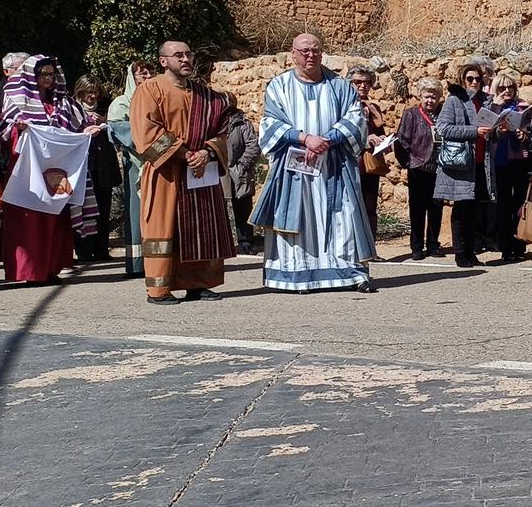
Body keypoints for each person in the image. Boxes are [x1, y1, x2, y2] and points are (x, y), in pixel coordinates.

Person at [249, 32, 376, 293]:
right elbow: (270, 124)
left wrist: (326, 141)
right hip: (294, 169)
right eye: (304, 50)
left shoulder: (340, 86)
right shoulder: (279, 86)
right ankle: (296, 276)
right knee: (297, 219)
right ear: (293, 54)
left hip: (334, 168)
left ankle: (350, 275)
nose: (311, 55)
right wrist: (304, 138)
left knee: (344, 220)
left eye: (315, 50)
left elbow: (355, 120)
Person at [128, 39, 237, 304]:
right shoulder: (149, 91)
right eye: (178, 55)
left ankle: (199, 283)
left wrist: (207, 152)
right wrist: (184, 152)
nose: (186, 59)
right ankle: (159, 289)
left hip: (200, 172)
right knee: (164, 227)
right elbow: (146, 133)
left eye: (189, 54)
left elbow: (222, 131)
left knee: (200, 227)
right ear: (163, 61)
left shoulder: (206, 95)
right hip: (166, 171)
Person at [0, 55, 93, 284]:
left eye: (51, 74)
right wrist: (18, 128)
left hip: (56, 168)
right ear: (32, 75)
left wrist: (87, 131)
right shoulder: (15, 99)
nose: (48, 79)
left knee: (55, 218)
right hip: (27, 170)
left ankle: (52, 268)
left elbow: (78, 125)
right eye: (43, 75)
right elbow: (1, 132)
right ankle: (29, 271)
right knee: (29, 221)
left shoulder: (62, 101)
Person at [435, 57, 493, 268]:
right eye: (470, 79)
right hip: (461, 163)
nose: (475, 82)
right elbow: (443, 128)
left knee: (474, 209)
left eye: (478, 79)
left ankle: (471, 251)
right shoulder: (454, 100)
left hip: (480, 163)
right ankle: (461, 253)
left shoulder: (485, 101)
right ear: (462, 79)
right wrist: (473, 132)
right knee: (461, 208)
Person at [106, 60, 157, 277]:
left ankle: (159, 261)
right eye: (141, 74)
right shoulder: (122, 103)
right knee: (137, 213)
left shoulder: (158, 98)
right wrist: (150, 141)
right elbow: (116, 129)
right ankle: (137, 263)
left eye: (149, 73)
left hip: (159, 163)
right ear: (132, 77)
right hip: (137, 164)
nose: (146, 77)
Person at [486, 69, 532, 263]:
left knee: (519, 204)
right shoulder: (491, 107)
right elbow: (486, 132)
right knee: (503, 205)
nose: (507, 91)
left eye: (510, 87)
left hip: (519, 159)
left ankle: (518, 245)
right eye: (502, 87)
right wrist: (497, 110)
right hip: (500, 161)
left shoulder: (522, 107)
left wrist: (525, 135)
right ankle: (505, 246)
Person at [395, 77, 447, 259]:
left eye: (434, 97)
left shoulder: (443, 114)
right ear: (420, 96)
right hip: (417, 168)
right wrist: (408, 163)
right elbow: (401, 140)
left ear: (439, 98)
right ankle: (416, 247)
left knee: (436, 208)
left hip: (439, 167)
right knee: (417, 209)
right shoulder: (411, 114)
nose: (430, 101)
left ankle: (433, 244)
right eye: (426, 97)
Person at [69, 75, 117, 265]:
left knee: (103, 209)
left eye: (95, 92)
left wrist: (105, 122)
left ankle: (101, 249)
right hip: (83, 167)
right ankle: (83, 250)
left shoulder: (106, 107)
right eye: (88, 92)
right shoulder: (72, 110)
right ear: (80, 91)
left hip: (103, 165)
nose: (92, 96)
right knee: (82, 209)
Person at [347, 66, 389, 246]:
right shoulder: (344, 107)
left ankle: (370, 247)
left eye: (367, 82)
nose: (363, 86)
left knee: (370, 207)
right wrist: (365, 139)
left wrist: (383, 140)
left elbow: (379, 131)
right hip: (350, 164)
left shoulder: (373, 108)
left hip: (370, 165)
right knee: (351, 208)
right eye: (357, 82)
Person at [222, 91, 263, 254]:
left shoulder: (243, 123)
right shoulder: (213, 124)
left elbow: (253, 146)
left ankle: (246, 241)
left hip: (240, 173)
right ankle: (223, 244)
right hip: (220, 173)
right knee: (220, 211)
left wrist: (242, 165)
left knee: (243, 208)